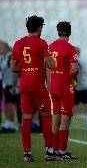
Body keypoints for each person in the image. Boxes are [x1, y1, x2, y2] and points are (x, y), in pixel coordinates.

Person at [11, 15, 56, 162]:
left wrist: (25, 69)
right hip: (38, 85)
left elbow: (13, 67)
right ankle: (49, 151)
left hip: (24, 85)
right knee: (46, 117)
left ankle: (27, 153)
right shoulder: (42, 43)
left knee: (26, 118)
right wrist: (44, 64)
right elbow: (52, 65)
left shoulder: (18, 43)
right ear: (40, 27)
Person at [49, 21, 79, 159]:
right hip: (65, 86)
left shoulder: (51, 46)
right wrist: (72, 77)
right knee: (66, 118)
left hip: (53, 85)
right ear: (70, 32)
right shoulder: (70, 48)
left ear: (58, 31)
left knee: (56, 118)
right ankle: (62, 151)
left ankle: (53, 150)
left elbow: (47, 67)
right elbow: (75, 69)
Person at [0, 42, 21, 133]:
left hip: (12, 85)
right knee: (8, 104)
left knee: (15, 104)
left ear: (6, 48)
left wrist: (14, 85)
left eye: (1, 48)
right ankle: (10, 124)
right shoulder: (2, 58)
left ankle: (17, 124)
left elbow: (15, 71)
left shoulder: (9, 57)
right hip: (7, 84)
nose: (0, 50)